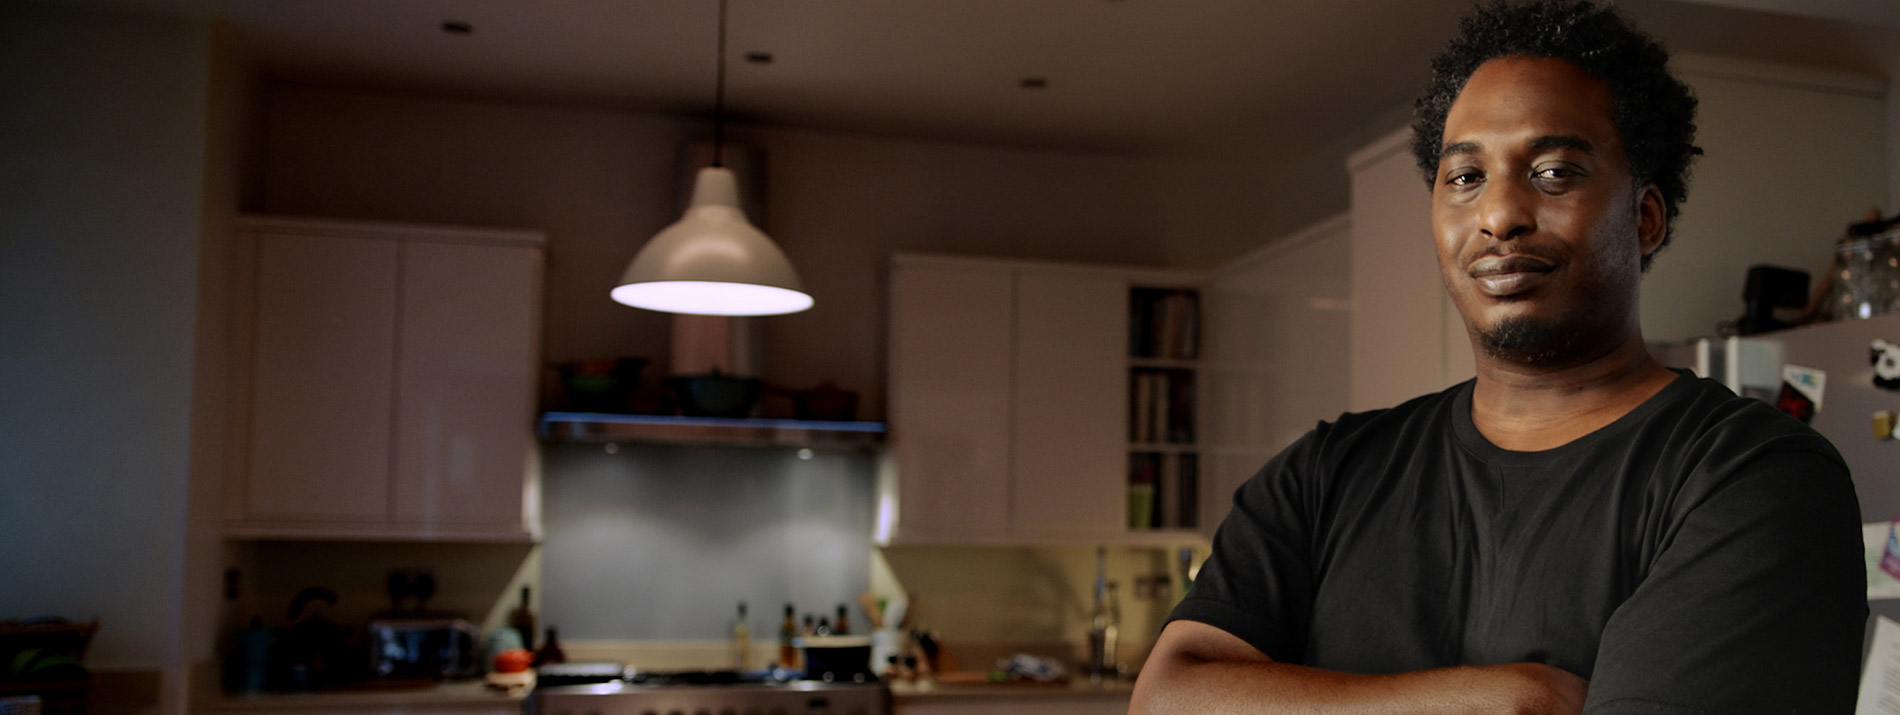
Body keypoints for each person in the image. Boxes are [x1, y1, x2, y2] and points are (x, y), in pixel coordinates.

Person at [1127, 1, 1867, 713]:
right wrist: (1513, 699)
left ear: (1644, 218)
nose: (1499, 214)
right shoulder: (1325, 474)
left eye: (1554, 172)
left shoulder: (1751, 476)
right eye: (1465, 176)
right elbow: (1167, 698)